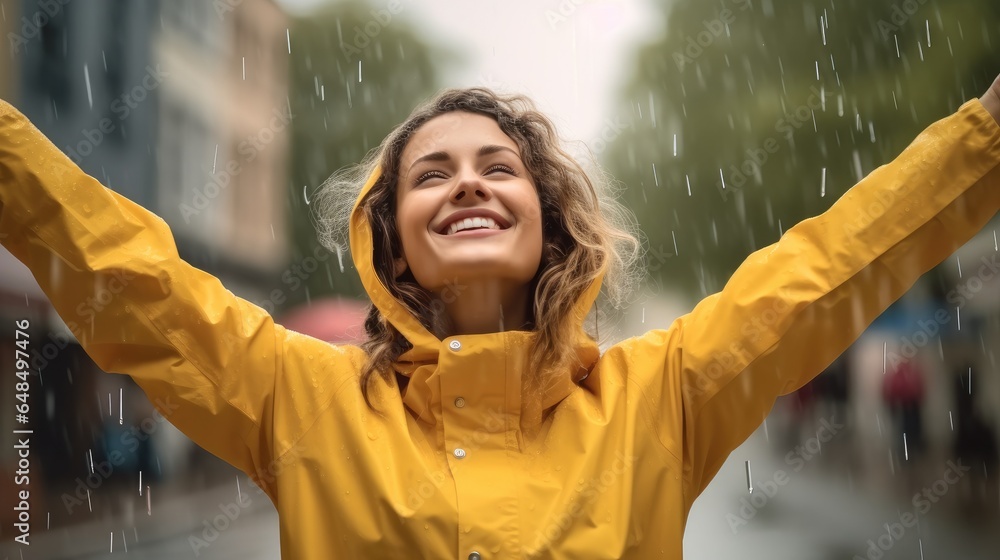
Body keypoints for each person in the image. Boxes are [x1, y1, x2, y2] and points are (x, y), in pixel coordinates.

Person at [1, 77, 998, 559]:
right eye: (431, 172)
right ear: (391, 238)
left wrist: (985, 139)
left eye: (497, 167)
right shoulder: (300, 396)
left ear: (547, 215)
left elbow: (829, 265)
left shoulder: (661, 395)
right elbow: (126, 274)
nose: (466, 184)